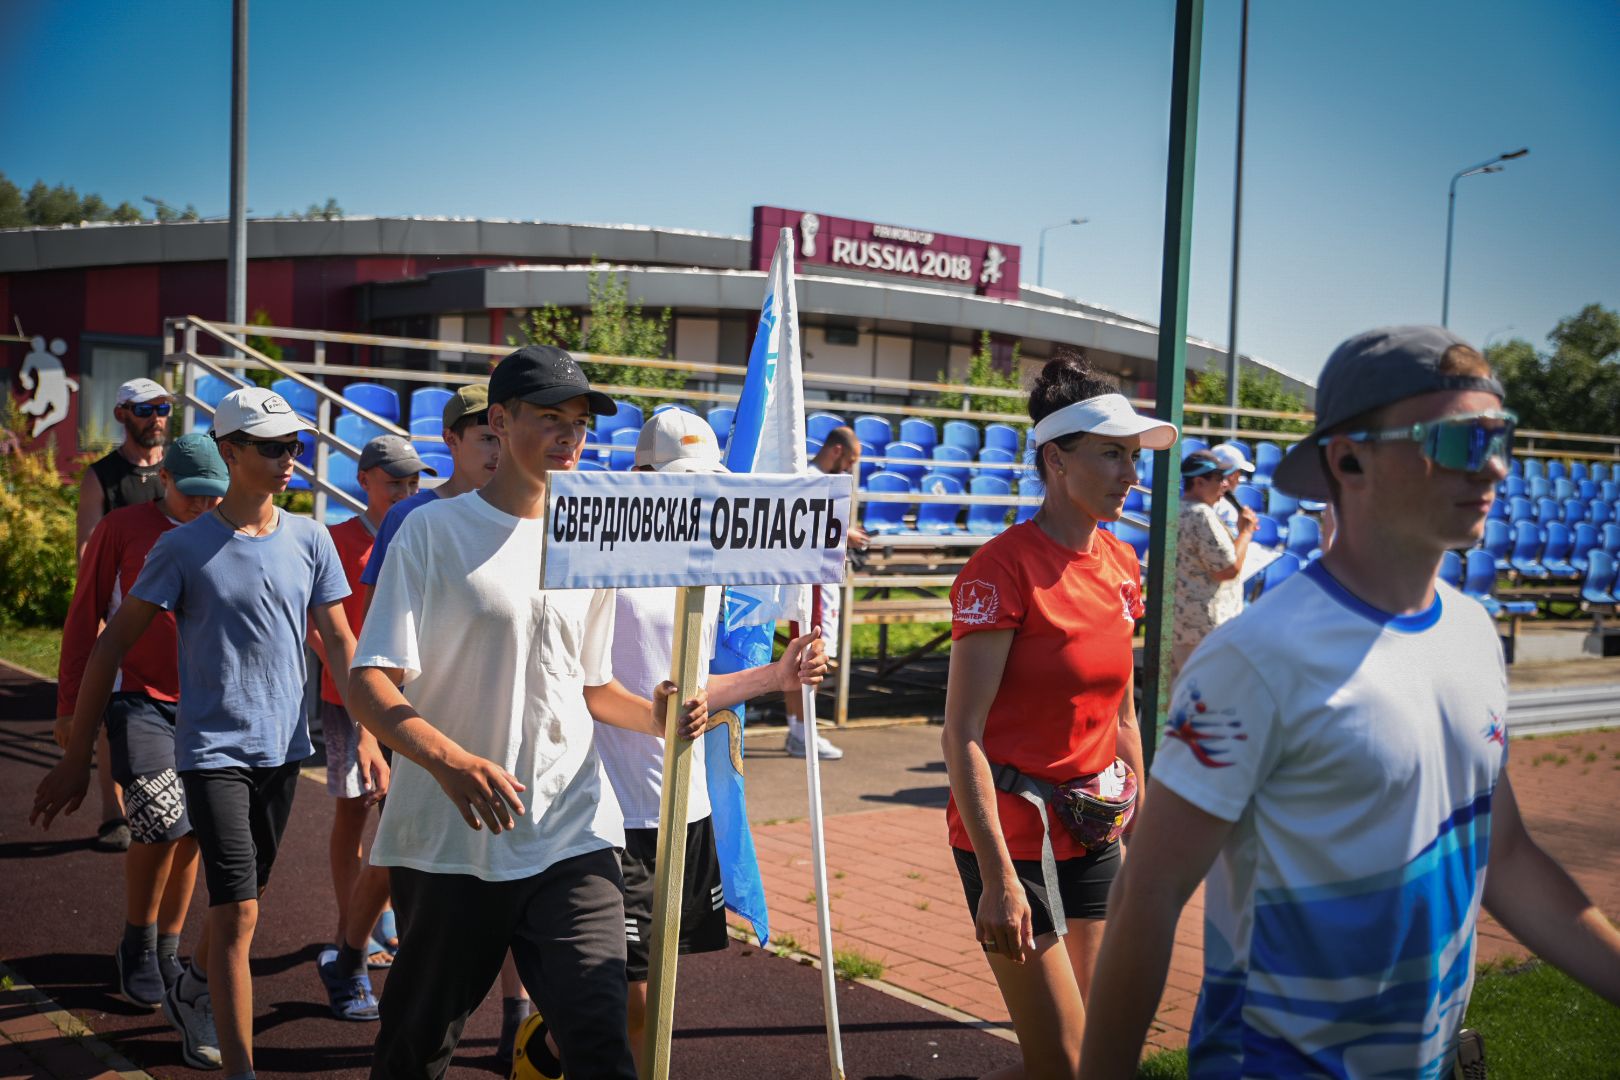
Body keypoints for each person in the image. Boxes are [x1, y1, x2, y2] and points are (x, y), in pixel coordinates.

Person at [1080, 327, 1620, 1079]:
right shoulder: (1255, 660)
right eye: (1459, 440)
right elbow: (1151, 890)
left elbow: (1506, 857)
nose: (1493, 466)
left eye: (1500, 438)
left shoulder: (1471, 633)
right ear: (1349, 458)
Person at [347, 345, 710, 1080]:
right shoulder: (432, 532)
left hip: (571, 830)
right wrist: (447, 762)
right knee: (414, 1053)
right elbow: (369, 687)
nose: (570, 435)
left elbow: (590, 686)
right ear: (501, 420)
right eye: (551, 418)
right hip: (452, 843)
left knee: (602, 1043)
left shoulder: (593, 538)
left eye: (579, 421)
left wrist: (656, 714)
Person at [33, 386, 357, 1079]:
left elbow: (341, 646)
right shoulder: (183, 548)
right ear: (231, 452)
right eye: (271, 447)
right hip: (211, 752)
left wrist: (383, 735)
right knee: (239, 915)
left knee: (244, 904)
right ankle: (238, 1065)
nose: (287, 459)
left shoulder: (311, 537)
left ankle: (192, 986)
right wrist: (75, 757)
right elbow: (110, 645)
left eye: (293, 446)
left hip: (284, 751)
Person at [940, 352, 1176, 1077]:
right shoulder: (999, 568)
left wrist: (1139, 834)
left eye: (1133, 457)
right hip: (1011, 840)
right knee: (1067, 1063)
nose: (1129, 474)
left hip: (1094, 831)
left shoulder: (1121, 563)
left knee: (1108, 1050)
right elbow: (962, 735)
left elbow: (1125, 716)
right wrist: (998, 877)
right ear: (1055, 461)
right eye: (1111, 454)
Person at [597, 409, 829, 1069]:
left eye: (704, 483)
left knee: (660, 994)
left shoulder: (703, 567)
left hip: (685, 806)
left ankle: (553, 1053)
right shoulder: (602, 563)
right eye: (679, 480)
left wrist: (777, 675)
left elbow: (698, 690)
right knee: (630, 998)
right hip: (613, 811)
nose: (695, 496)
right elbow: (583, 688)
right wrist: (652, 714)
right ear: (639, 477)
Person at [350, 382, 534, 1057]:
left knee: (514, 867)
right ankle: (350, 948)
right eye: (481, 435)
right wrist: (373, 736)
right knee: (401, 859)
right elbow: (375, 651)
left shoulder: (529, 517)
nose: (494, 447)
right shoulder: (414, 523)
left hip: (507, 743)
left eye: (498, 433)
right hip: (425, 740)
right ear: (451, 442)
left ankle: (517, 1018)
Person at [48, 433, 228, 1067]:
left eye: (216, 496)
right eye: (194, 495)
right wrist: (72, 706)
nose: (206, 508)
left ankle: (169, 948)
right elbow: (85, 616)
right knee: (158, 813)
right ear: (164, 482)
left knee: (194, 832)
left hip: (207, 704)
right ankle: (138, 939)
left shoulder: (230, 529)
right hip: (138, 694)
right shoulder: (124, 528)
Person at [307, 435, 435, 1022]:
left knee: (400, 821)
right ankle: (349, 930)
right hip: (348, 700)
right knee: (356, 809)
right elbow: (322, 630)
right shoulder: (337, 542)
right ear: (364, 480)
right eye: (395, 484)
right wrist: (362, 704)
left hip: (410, 704)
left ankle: (372, 927)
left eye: (413, 484)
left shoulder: (423, 531)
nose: (407, 494)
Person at [76, 376, 174, 851]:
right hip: (122, 617)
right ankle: (112, 812)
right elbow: (87, 555)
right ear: (121, 414)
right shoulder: (101, 477)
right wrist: (97, 625)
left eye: (163, 408)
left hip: (177, 618)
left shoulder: (182, 474)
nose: (156, 417)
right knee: (113, 714)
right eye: (145, 408)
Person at [784, 425, 869, 760]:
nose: (849, 467)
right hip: (812, 582)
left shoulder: (819, 477)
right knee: (812, 658)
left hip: (818, 579)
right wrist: (845, 534)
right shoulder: (809, 476)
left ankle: (799, 731)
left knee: (805, 660)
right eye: (848, 459)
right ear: (836, 450)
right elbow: (802, 522)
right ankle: (803, 733)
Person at [1170, 450, 1258, 682]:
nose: (1226, 485)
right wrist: (1246, 533)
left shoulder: (1176, 509)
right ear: (1199, 482)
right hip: (1202, 630)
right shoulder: (1201, 515)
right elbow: (1227, 569)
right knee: (1203, 703)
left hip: (1183, 627)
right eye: (1219, 479)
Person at [1207, 442, 1255, 537]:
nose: (1239, 479)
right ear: (1233, 475)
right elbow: (1233, 550)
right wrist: (1245, 532)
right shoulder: (1226, 508)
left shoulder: (1195, 500)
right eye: (1239, 472)